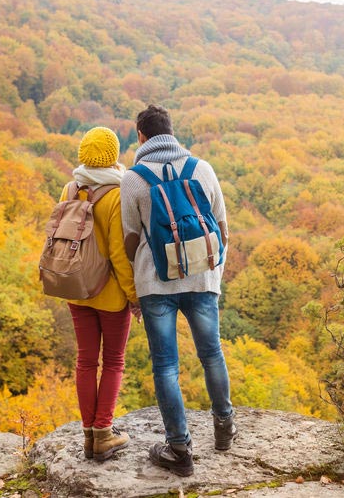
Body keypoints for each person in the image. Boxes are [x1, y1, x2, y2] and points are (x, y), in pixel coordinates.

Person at [120, 104, 237, 477]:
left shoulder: (134, 179)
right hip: (203, 278)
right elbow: (221, 225)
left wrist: (137, 285)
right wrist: (212, 272)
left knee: (166, 365)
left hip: (156, 284)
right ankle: (224, 427)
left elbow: (129, 239)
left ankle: (180, 448)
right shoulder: (201, 169)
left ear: (141, 136)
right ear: (171, 131)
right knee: (212, 354)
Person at [61, 126, 139, 462]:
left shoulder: (70, 187)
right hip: (109, 295)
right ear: (113, 155)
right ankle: (104, 433)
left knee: (85, 361)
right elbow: (121, 256)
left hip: (76, 288)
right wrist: (134, 296)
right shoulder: (117, 194)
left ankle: (89, 437)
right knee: (113, 362)